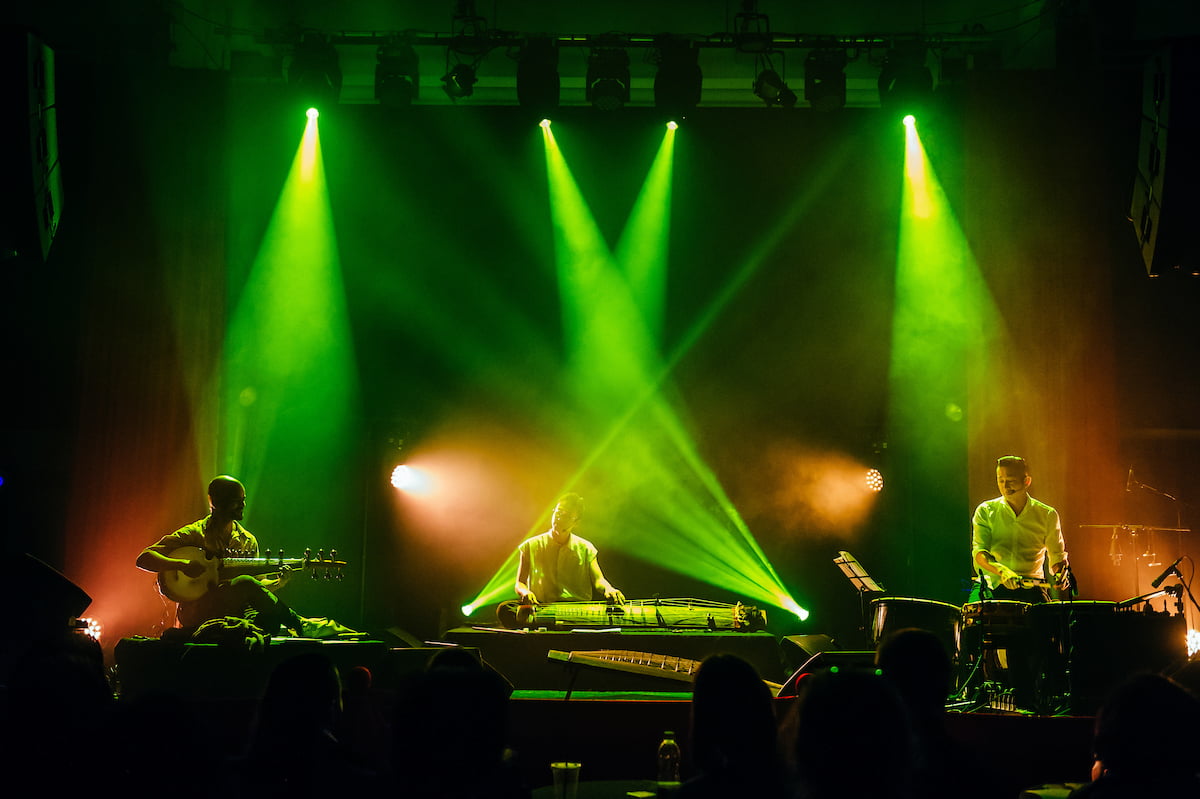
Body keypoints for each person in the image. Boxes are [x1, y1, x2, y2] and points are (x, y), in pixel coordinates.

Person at [137, 475, 352, 638]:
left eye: (243, 500)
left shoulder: (247, 540)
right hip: (197, 613)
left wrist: (278, 582)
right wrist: (183, 565)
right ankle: (300, 624)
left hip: (235, 612)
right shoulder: (194, 534)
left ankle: (292, 626)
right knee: (244, 582)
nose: (243, 505)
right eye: (236, 500)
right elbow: (144, 558)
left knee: (268, 622)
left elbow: (256, 587)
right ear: (217, 502)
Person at [971, 455, 1069, 604]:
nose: (1005, 486)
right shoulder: (985, 510)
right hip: (991, 583)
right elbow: (980, 552)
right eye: (1001, 480)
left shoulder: (1047, 514)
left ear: (1027, 481)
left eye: (1011, 481)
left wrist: (1060, 573)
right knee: (974, 615)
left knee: (1048, 617)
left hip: (1031, 586)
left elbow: (1057, 556)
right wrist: (1003, 571)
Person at [514, 493, 625, 605]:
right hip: (541, 607)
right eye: (558, 512)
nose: (559, 518)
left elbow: (598, 580)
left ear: (576, 522)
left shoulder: (586, 548)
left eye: (566, 516)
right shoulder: (530, 546)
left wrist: (609, 589)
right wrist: (525, 592)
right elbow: (520, 583)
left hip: (578, 608)